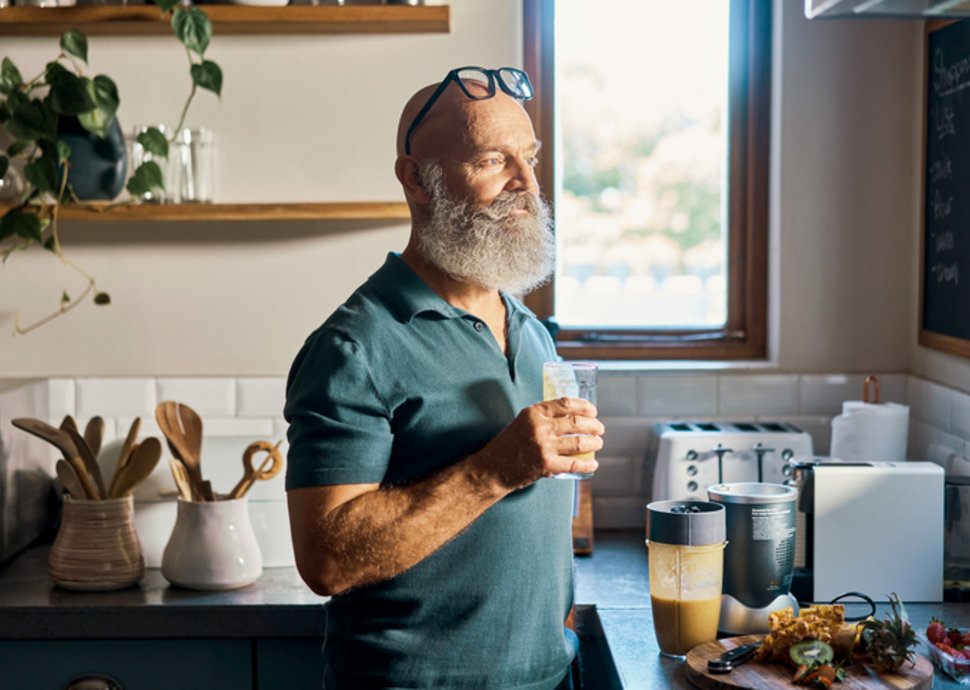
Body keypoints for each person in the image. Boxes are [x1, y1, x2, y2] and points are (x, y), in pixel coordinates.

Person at [284, 66, 604, 690]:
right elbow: (326, 561)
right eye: (492, 160)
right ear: (416, 180)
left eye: (530, 158)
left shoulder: (531, 330)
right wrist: (494, 469)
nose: (527, 186)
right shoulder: (352, 347)